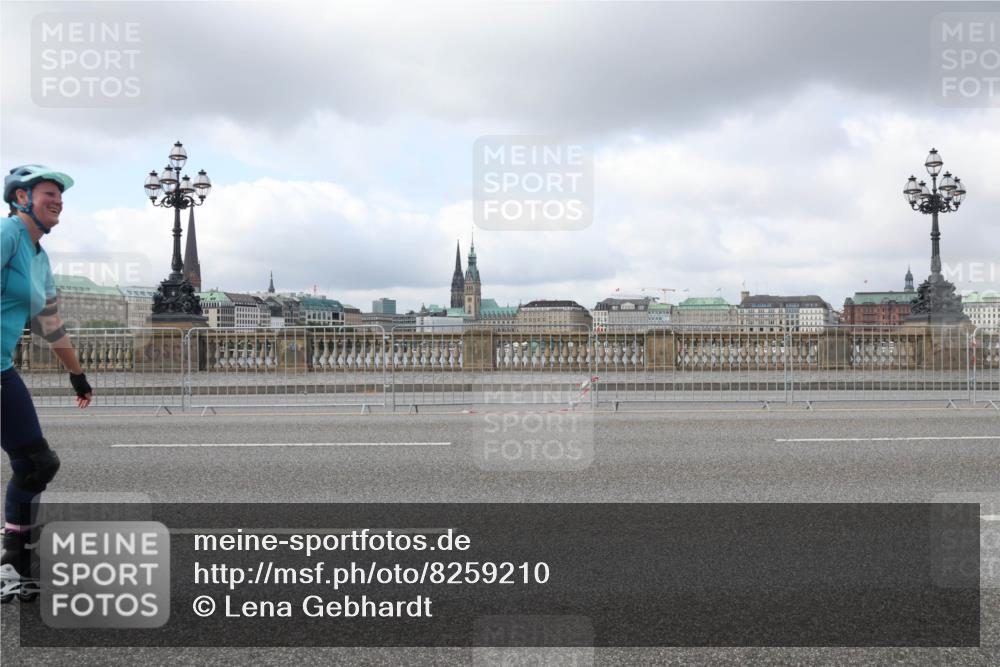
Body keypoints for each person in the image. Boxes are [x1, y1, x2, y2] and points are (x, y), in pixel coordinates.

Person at [1, 165, 93, 603]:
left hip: (1, 369)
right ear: (22, 198)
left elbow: (51, 324)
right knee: (34, 463)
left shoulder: (40, 257)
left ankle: (13, 564)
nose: (57, 201)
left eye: (60, 195)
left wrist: (77, 375)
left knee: (37, 465)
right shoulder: (8, 234)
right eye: (48, 194)